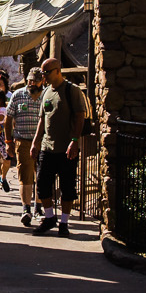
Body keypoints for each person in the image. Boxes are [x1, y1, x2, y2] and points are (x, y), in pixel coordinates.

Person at [28, 57, 88, 237]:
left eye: (46, 72)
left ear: (57, 70)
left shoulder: (72, 91)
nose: (44, 76)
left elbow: (80, 116)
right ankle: (49, 217)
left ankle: (64, 222)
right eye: (42, 73)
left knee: (67, 187)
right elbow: (42, 119)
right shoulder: (46, 92)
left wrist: (74, 141)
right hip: (47, 147)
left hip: (66, 148)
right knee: (43, 185)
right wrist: (36, 141)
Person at [6, 67, 47, 226]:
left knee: (42, 175)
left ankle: (39, 207)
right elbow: (8, 120)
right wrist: (8, 142)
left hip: (43, 142)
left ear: (41, 81)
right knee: (25, 175)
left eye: (35, 81)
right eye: (29, 80)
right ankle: (26, 209)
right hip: (22, 141)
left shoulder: (46, 95)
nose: (31, 83)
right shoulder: (18, 95)